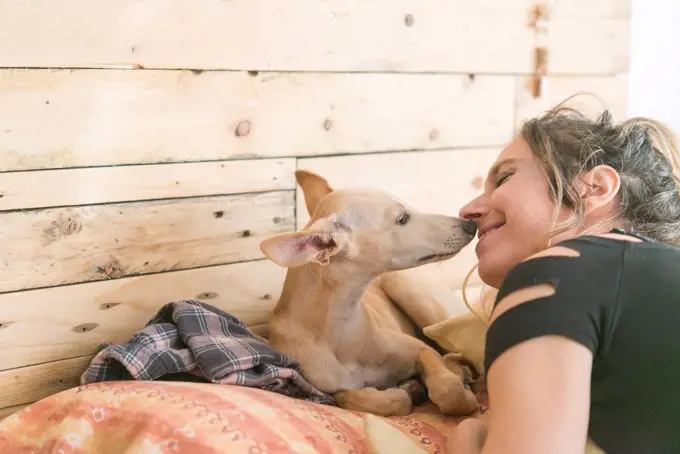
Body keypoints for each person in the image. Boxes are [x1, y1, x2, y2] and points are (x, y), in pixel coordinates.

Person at [448, 104, 680, 454]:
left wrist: (469, 435)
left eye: (506, 176)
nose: (468, 210)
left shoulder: (559, 270)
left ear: (597, 187)